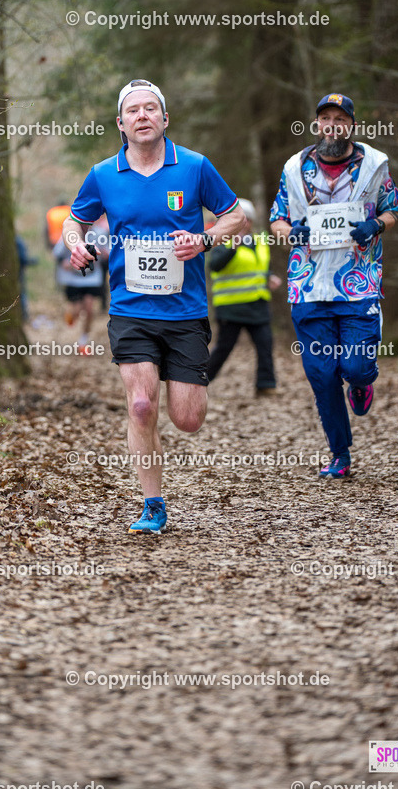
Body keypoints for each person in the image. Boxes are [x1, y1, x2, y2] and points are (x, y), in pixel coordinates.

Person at [63, 78, 245, 532]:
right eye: (133, 110)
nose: (142, 116)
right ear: (121, 124)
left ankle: (179, 389)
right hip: (130, 309)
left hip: (185, 311)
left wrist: (203, 239)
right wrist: (76, 244)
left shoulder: (195, 167)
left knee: (187, 419)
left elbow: (237, 217)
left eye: (150, 109)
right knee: (142, 405)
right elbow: (75, 219)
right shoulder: (104, 173)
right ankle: (152, 504)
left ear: (165, 119)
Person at [270, 92, 398, 478]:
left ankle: (362, 384)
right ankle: (340, 455)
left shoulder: (375, 164)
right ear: (317, 125)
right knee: (321, 374)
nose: (333, 125)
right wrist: (290, 232)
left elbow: (394, 207)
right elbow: (277, 219)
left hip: (358, 284)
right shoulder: (294, 168)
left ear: (351, 126)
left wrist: (375, 225)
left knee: (357, 367)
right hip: (309, 287)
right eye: (325, 119)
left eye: (340, 119)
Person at [207, 198, 282, 395]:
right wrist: (234, 246)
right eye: (240, 219)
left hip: (257, 303)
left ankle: (266, 385)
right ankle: (201, 382)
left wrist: (269, 277)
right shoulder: (221, 241)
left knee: (265, 345)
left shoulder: (261, 240)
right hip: (231, 307)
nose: (244, 223)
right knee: (224, 348)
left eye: (247, 219)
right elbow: (215, 266)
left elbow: (261, 267)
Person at [53, 215, 110, 353]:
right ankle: (71, 316)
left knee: (89, 309)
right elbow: (57, 252)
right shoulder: (71, 233)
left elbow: (109, 251)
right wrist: (63, 262)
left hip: (92, 278)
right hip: (73, 278)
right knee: (77, 310)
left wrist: (105, 254)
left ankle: (83, 341)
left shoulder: (100, 234)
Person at [15, 235, 38, 322]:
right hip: (18, 272)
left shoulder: (16, 240)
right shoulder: (18, 241)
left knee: (21, 294)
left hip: (17, 272)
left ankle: (23, 316)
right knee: (22, 294)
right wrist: (31, 261)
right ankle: (23, 316)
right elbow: (22, 259)